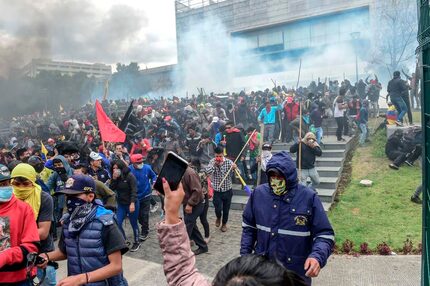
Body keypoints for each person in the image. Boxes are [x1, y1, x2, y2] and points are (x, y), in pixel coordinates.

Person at [156, 177, 307, 286]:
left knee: (215, 216)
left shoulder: (305, 198)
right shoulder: (258, 196)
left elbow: (182, 275)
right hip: (218, 196)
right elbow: (248, 227)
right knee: (215, 214)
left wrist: (172, 212)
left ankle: (220, 226)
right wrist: (245, 254)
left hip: (221, 195)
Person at [240, 151, 334, 285]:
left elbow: (324, 235)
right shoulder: (258, 195)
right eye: (272, 175)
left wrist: (317, 257)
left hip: (296, 275)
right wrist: (245, 258)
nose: (275, 180)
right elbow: (248, 228)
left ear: (289, 176)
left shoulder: (309, 198)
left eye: (280, 176)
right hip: (262, 274)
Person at [38, 175, 129, 285]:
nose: (69, 200)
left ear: (90, 196)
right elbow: (65, 251)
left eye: (74, 195)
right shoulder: (68, 221)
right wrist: (46, 256)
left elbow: (116, 266)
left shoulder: (105, 222)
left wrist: (81, 278)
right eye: (67, 196)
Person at [11, 163, 57, 286]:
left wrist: (12, 236)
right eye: (16, 184)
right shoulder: (7, 197)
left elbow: (43, 232)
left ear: (33, 181)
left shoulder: (44, 198)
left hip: (41, 254)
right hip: (14, 256)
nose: (21, 187)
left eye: (25, 184)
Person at [0, 164, 40, 285]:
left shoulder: (23, 209)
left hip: (18, 278)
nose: (4, 187)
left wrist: (5, 257)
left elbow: (31, 247)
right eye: (0, 184)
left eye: (6, 183)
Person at [109, 160, 140, 252]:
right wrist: (114, 179)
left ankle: (137, 241)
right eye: (113, 168)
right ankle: (124, 240)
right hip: (121, 204)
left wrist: (132, 203)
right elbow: (111, 189)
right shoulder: (116, 177)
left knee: (133, 223)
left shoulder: (130, 176)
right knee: (117, 222)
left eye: (117, 168)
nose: (115, 170)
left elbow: (134, 191)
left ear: (121, 168)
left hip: (132, 203)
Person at [204, 147, 236, 232]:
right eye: (217, 156)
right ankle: (218, 217)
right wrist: (215, 165)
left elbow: (238, 173)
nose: (218, 158)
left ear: (223, 154)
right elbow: (207, 172)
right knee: (217, 208)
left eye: (220, 156)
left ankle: (224, 223)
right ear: (215, 155)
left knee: (226, 209)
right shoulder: (212, 162)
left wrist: (235, 168)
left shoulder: (229, 162)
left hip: (228, 190)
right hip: (217, 191)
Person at [129, 153, 157, 242]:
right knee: (138, 215)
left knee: (144, 214)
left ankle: (145, 231)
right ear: (133, 163)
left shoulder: (147, 168)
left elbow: (153, 176)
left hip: (146, 195)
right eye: (138, 163)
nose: (140, 164)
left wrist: (154, 182)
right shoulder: (129, 170)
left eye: (141, 162)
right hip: (135, 197)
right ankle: (143, 225)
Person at [181, 166, 208, 255]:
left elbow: (197, 190)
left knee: (188, 223)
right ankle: (203, 246)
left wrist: (190, 204)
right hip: (187, 202)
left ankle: (183, 249)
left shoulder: (190, 173)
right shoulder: (178, 171)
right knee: (192, 225)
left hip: (196, 203)